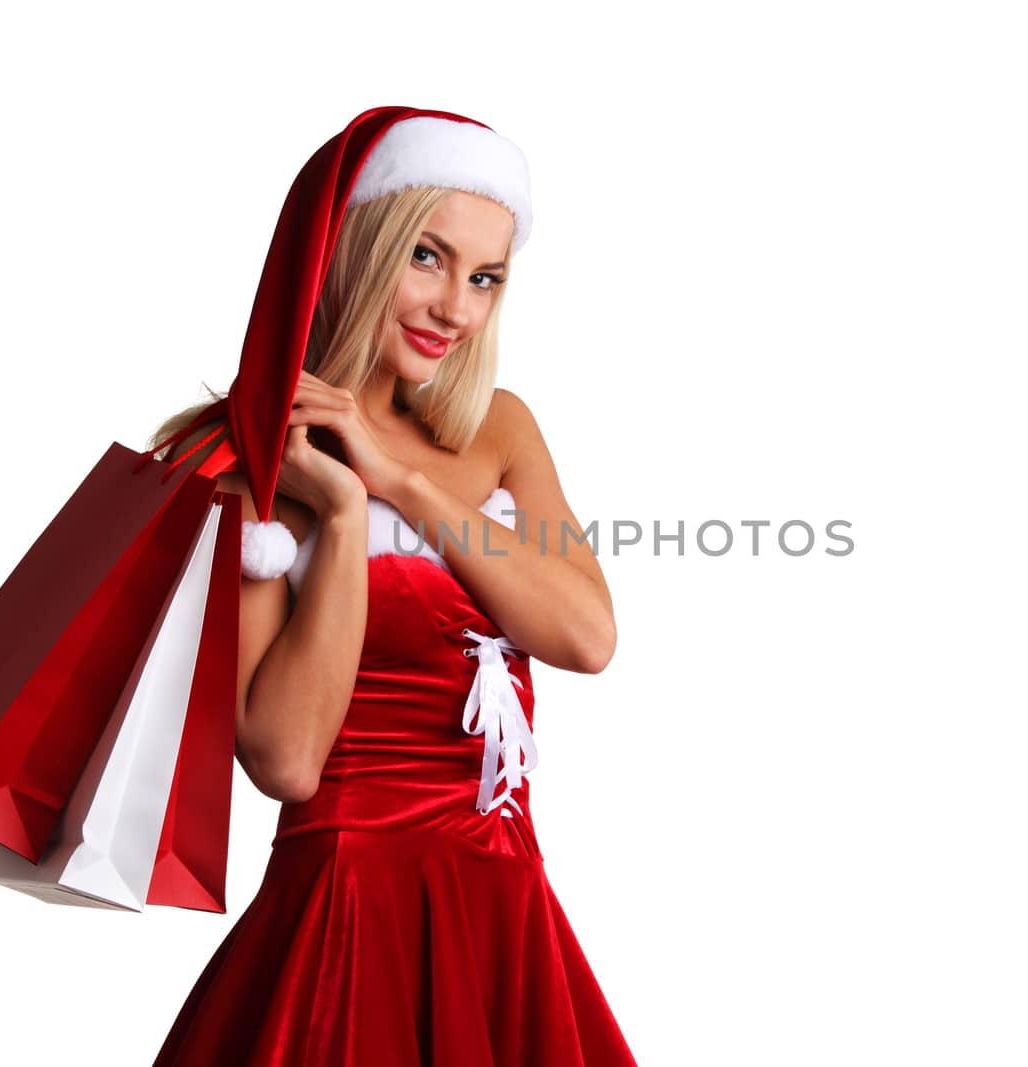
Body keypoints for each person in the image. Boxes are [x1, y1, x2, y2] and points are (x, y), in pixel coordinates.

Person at [147, 108, 638, 1065]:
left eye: (485, 277)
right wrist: (337, 514)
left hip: (506, 905)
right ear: (356, 249)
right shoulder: (248, 462)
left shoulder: (499, 431)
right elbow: (286, 762)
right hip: (345, 915)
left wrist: (401, 481)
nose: (456, 306)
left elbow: (586, 636)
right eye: (427, 256)